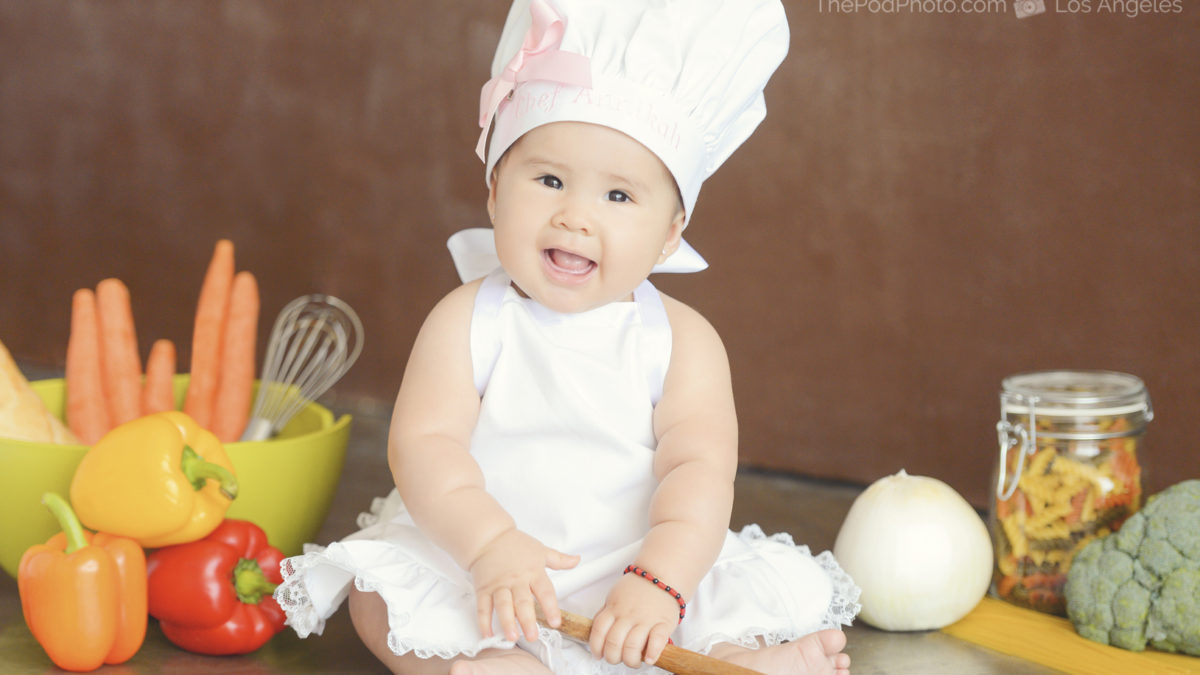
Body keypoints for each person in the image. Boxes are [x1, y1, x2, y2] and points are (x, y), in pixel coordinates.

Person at [275, 1, 861, 673]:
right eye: (549, 179)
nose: (576, 216)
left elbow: (697, 471)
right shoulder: (468, 319)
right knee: (377, 598)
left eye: (619, 196)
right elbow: (423, 445)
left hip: (633, 562)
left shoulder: (681, 342)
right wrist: (489, 541)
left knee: (699, 606)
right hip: (482, 557)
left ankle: (729, 658)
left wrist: (660, 581)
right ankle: (494, 663)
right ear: (496, 191)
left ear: (671, 231)